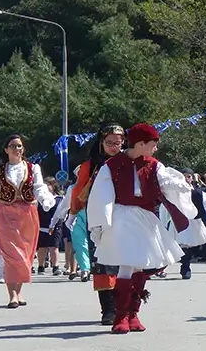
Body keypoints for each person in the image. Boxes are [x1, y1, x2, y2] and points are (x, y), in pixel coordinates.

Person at [87, 123, 194, 334]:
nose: (155, 149)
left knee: (139, 267)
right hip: (122, 218)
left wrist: (180, 185)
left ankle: (132, 313)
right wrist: (101, 223)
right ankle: (120, 316)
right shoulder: (112, 164)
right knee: (127, 264)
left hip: (145, 219)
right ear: (141, 143)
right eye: (153, 145)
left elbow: (165, 183)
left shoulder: (154, 165)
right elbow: (102, 195)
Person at [65, 124, 126, 325]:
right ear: (101, 143)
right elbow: (79, 190)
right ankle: (108, 310)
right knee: (102, 264)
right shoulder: (90, 166)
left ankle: (125, 308)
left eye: (118, 143)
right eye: (109, 143)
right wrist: (73, 212)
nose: (114, 147)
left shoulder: (129, 162)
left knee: (125, 263)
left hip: (126, 216)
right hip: (98, 218)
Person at [0, 134, 56, 308]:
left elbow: (39, 187)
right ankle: (12, 295)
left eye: (19, 146)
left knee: (25, 253)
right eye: (12, 146)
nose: (16, 149)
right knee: (11, 254)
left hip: (28, 213)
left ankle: (19, 291)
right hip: (5, 213)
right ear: (6, 149)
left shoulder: (33, 168)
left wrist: (45, 200)